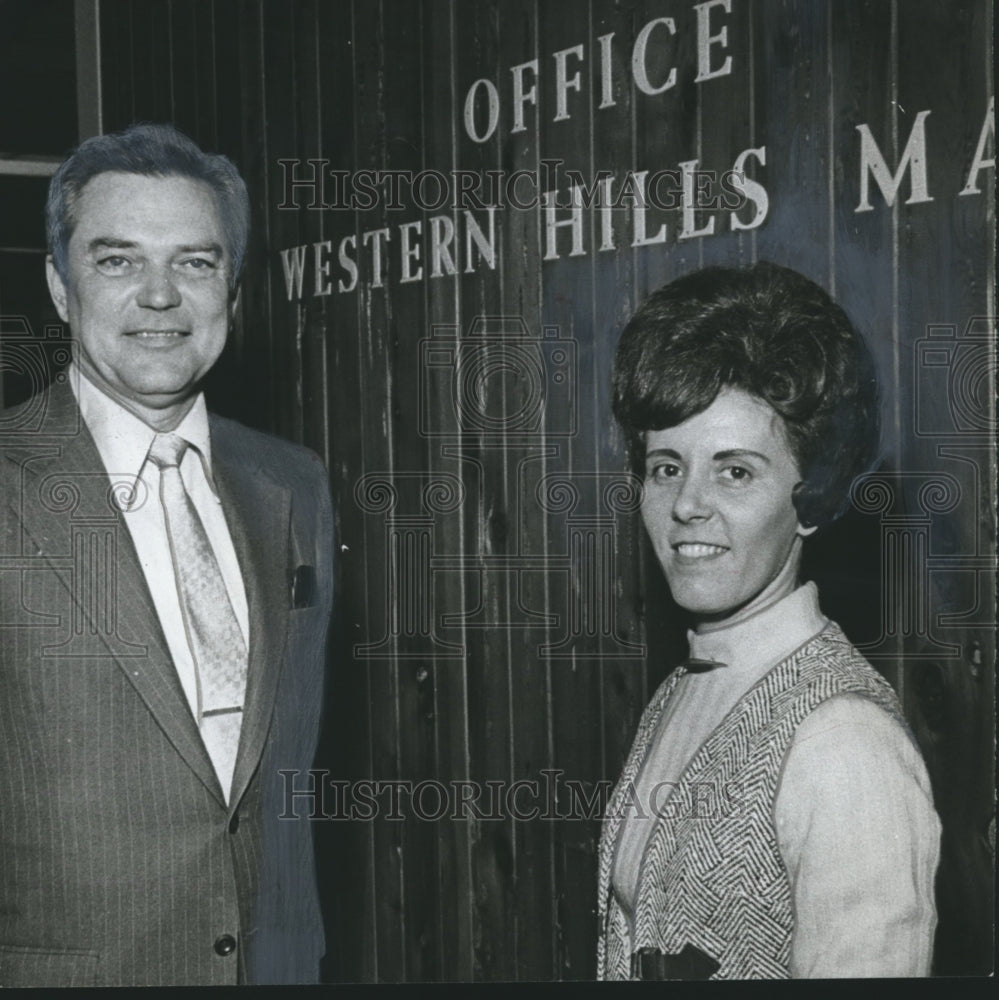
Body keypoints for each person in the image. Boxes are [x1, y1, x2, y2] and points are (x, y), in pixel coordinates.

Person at [0, 124, 333, 986]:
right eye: (117, 261)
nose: (160, 296)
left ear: (233, 287)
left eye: (194, 262)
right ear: (60, 288)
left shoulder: (293, 482)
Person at [597, 262, 941, 979]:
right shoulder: (682, 690)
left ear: (810, 497)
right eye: (665, 467)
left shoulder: (845, 744)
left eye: (734, 471)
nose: (687, 504)